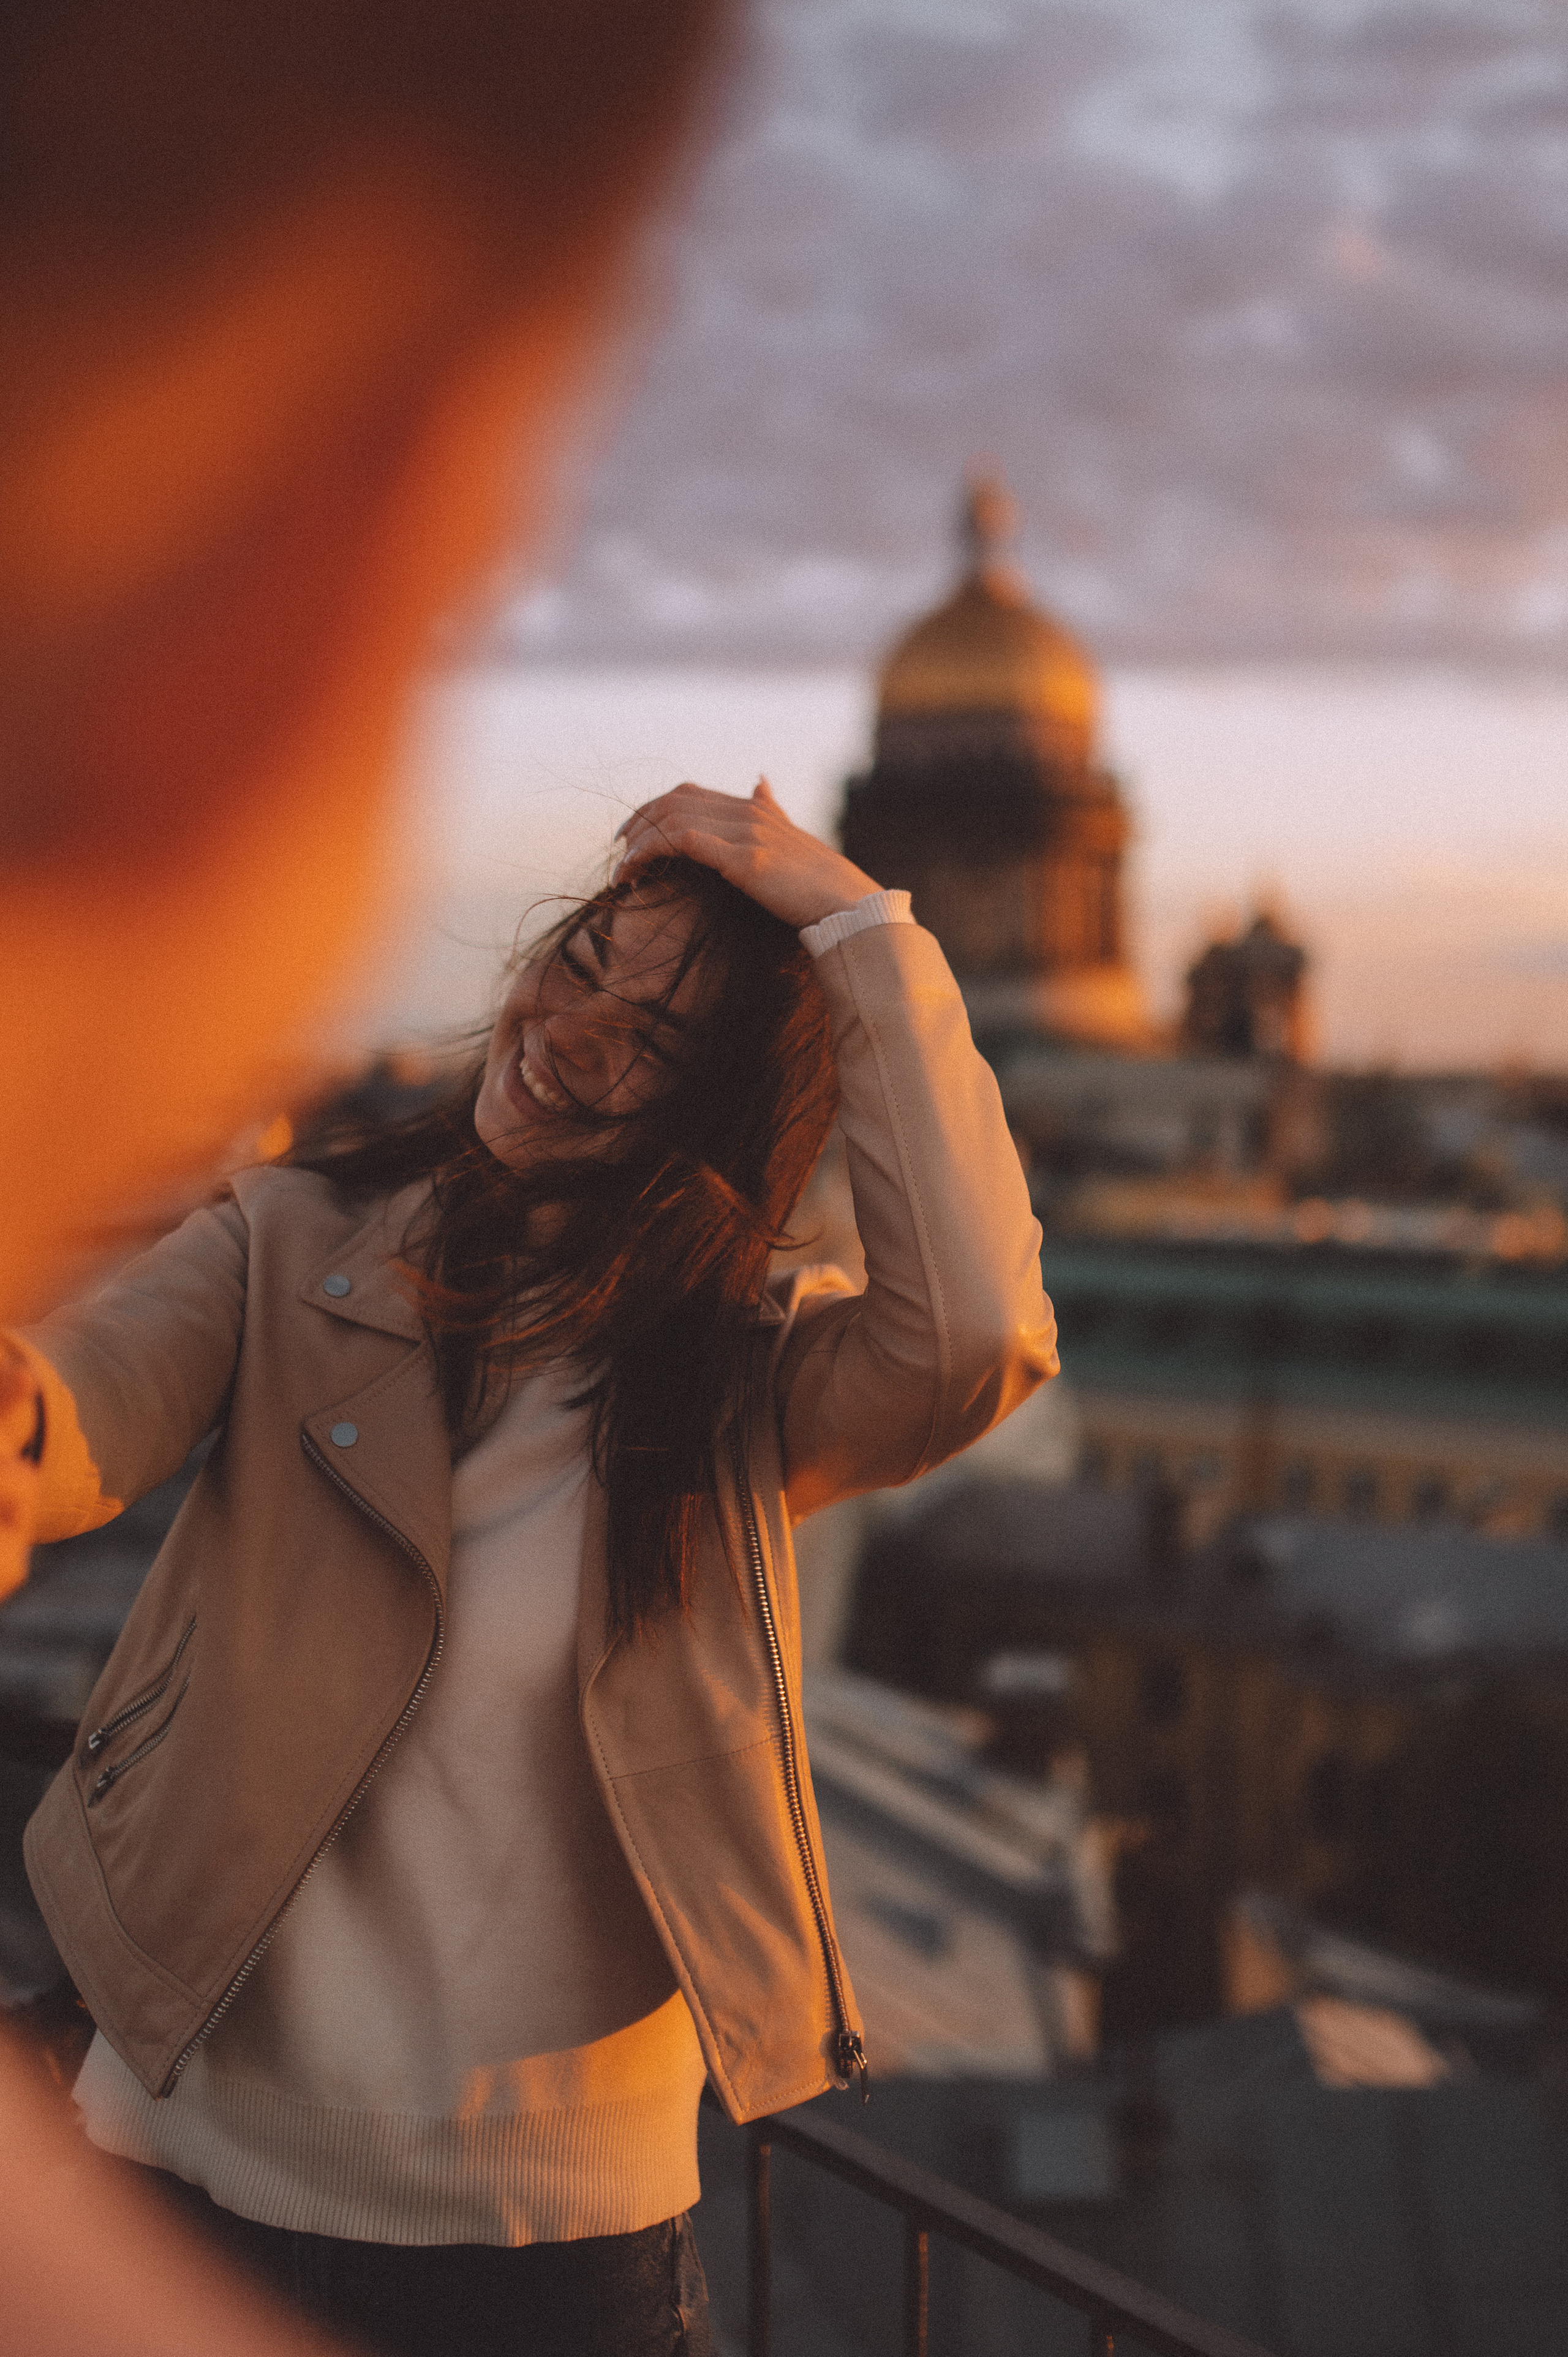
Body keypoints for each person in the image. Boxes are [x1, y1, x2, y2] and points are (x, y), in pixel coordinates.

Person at [12, 779, 1057, 2356]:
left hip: (550, 2237)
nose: (572, 1038)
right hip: (182, 2156)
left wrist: (858, 926)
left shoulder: (736, 1385)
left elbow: (977, 1337)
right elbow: (77, 1408)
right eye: (582, 965)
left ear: (716, 1119)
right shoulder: (287, 1240)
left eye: (654, 1043)